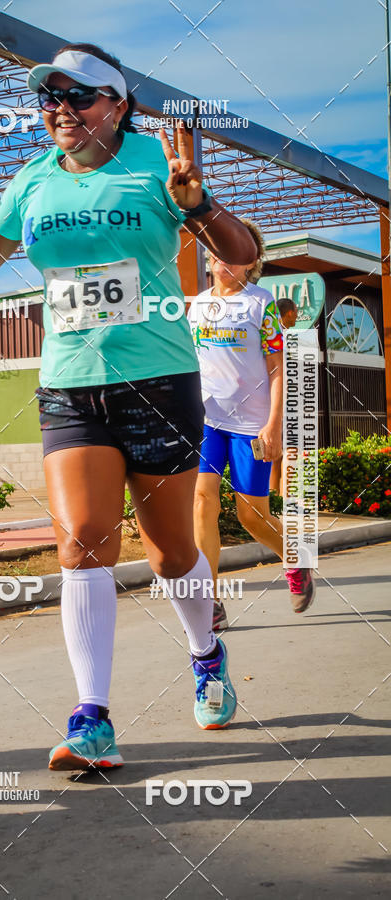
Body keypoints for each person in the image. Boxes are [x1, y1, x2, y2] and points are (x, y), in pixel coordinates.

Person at [0, 43, 258, 771]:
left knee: (170, 553)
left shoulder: (155, 162)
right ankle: (92, 718)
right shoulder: (33, 178)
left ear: (117, 104)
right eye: (49, 98)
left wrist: (196, 204)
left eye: (78, 96)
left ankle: (206, 655)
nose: (61, 109)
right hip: (70, 382)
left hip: (159, 379)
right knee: (82, 541)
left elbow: (239, 256)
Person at [189, 224, 316, 631]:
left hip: (251, 425)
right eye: (217, 249)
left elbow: (278, 368)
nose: (222, 258)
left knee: (251, 516)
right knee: (202, 502)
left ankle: (295, 559)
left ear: (251, 261)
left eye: (233, 252)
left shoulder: (261, 304)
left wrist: (274, 425)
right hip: (207, 421)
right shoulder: (198, 305)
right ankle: (209, 602)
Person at [270, 297, 298, 494]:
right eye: (296, 311)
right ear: (289, 313)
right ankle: (278, 496)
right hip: (277, 400)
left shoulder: (282, 333)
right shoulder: (277, 334)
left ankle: (277, 496)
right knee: (281, 450)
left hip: (282, 399)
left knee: (280, 451)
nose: (297, 316)